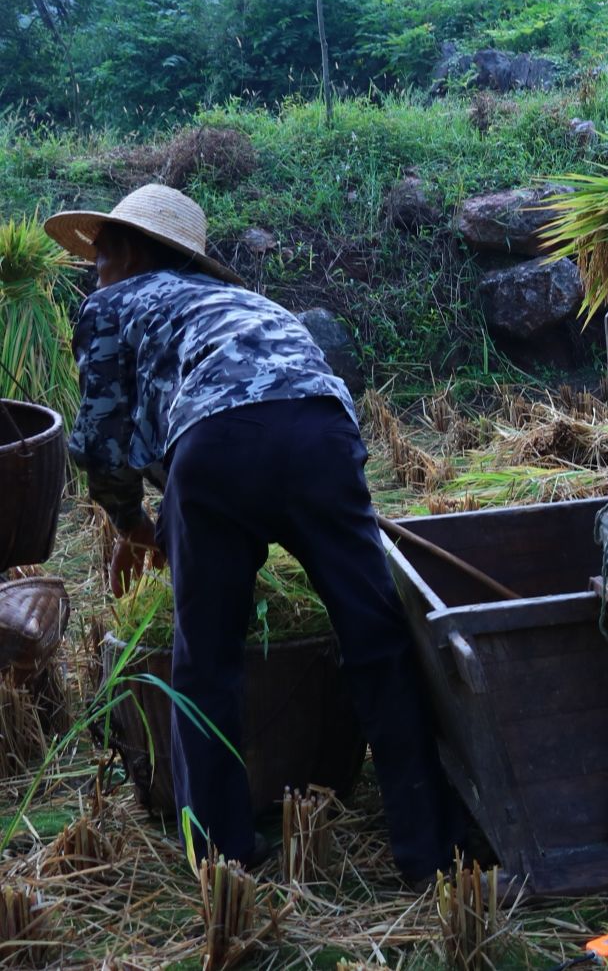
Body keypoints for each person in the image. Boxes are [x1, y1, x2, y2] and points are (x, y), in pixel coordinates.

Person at [50, 185, 461, 885]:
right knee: (376, 639)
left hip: (218, 449)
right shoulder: (247, 303)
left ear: (122, 252)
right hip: (322, 433)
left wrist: (132, 525)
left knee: (206, 661)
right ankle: (428, 850)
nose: (95, 271)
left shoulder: (111, 304)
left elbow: (99, 439)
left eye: (99, 256)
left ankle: (221, 857)